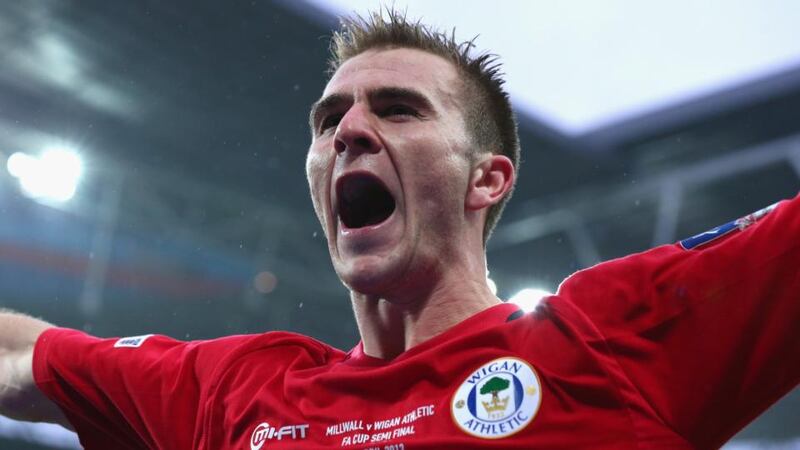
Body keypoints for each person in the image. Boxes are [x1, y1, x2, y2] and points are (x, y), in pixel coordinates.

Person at [1, 9, 798, 450]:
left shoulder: (607, 339)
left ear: (486, 178)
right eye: (328, 120)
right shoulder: (237, 395)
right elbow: (17, 359)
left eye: (397, 108)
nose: (346, 131)